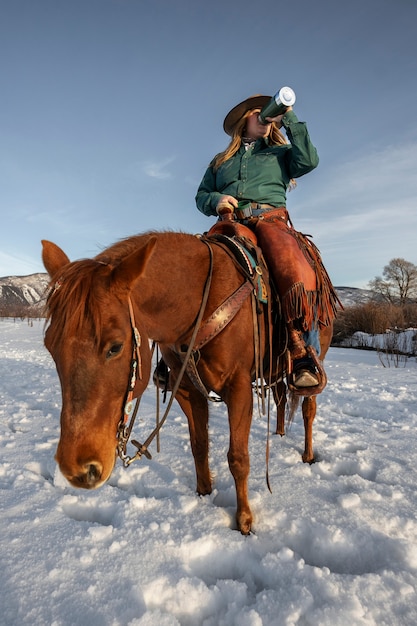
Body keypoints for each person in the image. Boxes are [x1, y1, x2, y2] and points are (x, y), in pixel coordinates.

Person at [195, 92, 336, 389]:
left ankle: (302, 353)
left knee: (290, 263)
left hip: (271, 221)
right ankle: (183, 350)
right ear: (243, 121)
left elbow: (309, 160)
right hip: (230, 223)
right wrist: (218, 199)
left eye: (268, 113)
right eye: (258, 112)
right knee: (193, 263)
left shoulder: (281, 154)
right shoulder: (221, 161)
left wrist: (289, 119)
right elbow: (201, 196)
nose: (264, 117)